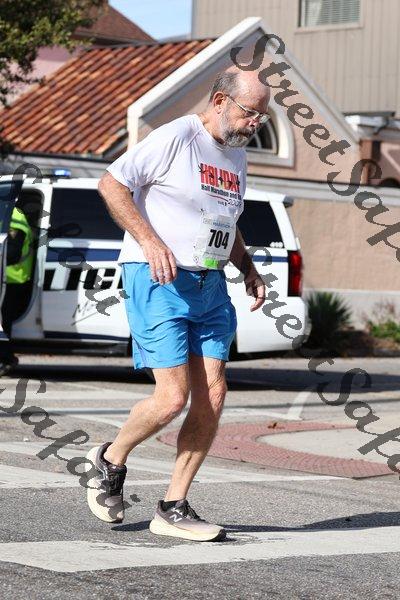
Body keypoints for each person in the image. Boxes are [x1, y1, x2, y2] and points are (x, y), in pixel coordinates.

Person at [87, 65, 270, 542]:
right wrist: (150, 242)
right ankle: (109, 458)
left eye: (262, 116)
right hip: (159, 278)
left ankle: (173, 506)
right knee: (172, 398)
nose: (255, 123)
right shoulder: (177, 137)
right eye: (250, 112)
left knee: (214, 394)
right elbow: (112, 183)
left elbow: (226, 220)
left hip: (210, 284)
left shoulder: (236, 156)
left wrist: (247, 267)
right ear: (220, 101)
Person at [0, 205, 34, 375]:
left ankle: (5, 359)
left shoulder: (13, 217)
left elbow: (12, 253)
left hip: (12, 278)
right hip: (6, 278)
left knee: (2, 321)